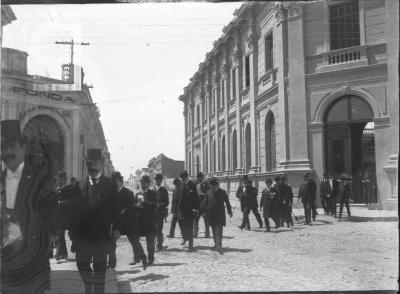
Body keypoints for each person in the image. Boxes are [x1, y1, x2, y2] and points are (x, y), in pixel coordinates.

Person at [1, 120, 57, 294]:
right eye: (3, 147)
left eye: (11, 146)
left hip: (32, 262)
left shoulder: (40, 180)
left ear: (23, 148)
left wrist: (48, 238)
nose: (6, 152)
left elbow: (53, 213)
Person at [73, 148, 121, 294]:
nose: (93, 167)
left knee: (100, 269)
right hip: (83, 235)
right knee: (81, 264)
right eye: (90, 163)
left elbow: (116, 209)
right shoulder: (79, 185)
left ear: (101, 164)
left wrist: (117, 228)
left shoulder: (110, 185)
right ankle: (88, 286)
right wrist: (72, 232)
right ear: (86, 164)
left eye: (96, 163)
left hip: (101, 234)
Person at [108, 171, 135, 269]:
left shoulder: (128, 193)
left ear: (121, 181)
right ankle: (112, 262)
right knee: (111, 241)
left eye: (117, 181)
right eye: (113, 182)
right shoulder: (110, 194)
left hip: (127, 222)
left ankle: (136, 256)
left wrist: (124, 210)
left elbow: (131, 206)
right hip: (115, 222)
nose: (115, 184)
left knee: (133, 240)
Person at [134, 175, 157, 265]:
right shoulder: (138, 194)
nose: (143, 185)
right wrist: (136, 206)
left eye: (145, 183)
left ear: (148, 184)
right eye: (142, 183)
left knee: (150, 241)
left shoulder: (153, 194)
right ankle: (136, 257)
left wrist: (145, 202)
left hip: (150, 221)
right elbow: (134, 206)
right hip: (139, 222)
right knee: (134, 240)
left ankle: (150, 258)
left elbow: (154, 205)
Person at [206, 178, 232, 253]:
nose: (214, 187)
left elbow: (227, 202)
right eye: (213, 186)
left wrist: (229, 211)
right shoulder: (208, 192)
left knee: (219, 230)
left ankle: (219, 245)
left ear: (217, 185)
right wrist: (204, 212)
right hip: (211, 214)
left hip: (220, 213)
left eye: (215, 186)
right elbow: (206, 203)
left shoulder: (223, 192)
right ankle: (216, 244)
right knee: (214, 230)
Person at [176, 171, 199, 251]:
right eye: (182, 179)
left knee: (190, 227)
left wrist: (195, 208)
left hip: (190, 210)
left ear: (187, 177)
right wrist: (175, 209)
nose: (183, 180)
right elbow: (177, 197)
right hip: (181, 210)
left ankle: (190, 245)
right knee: (181, 224)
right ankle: (185, 237)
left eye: (184, 178)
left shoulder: (192, 185)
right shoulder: (180, 185)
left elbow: (196, 198)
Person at [154, 173, 169, 251]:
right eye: (156, 180)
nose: (158, 181)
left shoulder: (164, 190)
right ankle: (156, 244)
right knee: (154, 230)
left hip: (160, 213)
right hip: (153, 214)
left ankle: (159, 245)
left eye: (159, 180)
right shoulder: (152, 190)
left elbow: (167, 202)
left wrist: (160, 205)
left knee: (159, 229)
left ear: (161, 181)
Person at [193, 172, 210, 238]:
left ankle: (207, 233)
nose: (200, 179)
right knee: (195, 220)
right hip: (197, 205)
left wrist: (204, 195)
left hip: (205, 205)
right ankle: (195, 232)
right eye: (199, 178)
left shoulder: (207, 185)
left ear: (203, 177)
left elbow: (209, 193)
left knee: (206, 220)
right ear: (197, 178)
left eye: (201, 177)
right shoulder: (194, 185)